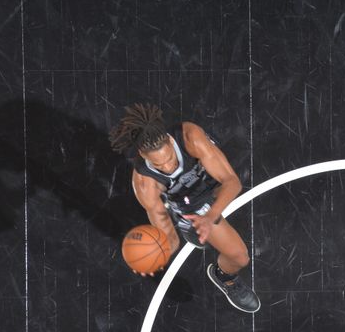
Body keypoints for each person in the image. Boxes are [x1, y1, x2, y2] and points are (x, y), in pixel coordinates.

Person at [108, 103, 260, 313]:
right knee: (239, 257)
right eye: (160, 166)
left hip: (210, 179)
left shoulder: (190, 136)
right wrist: (152, 258)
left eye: (169, 158)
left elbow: (232, 182)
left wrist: (212, 216)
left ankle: (204, 221)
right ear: (143, 154)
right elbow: (170, 239)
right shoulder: (145, 184)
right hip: (190, 202)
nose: (168, 167)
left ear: (170, 141)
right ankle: (225, 277)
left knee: (228, 183)